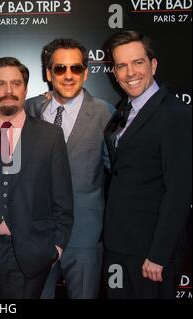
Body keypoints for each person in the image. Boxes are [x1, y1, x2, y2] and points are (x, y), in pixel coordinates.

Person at [0, 57, 73, 299]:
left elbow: (63, 199)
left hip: (29, 253)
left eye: (16, 84)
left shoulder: (49, 136)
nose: (8, 91)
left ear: (26, 89)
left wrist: (56, 248)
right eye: (0, 84)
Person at [103, 30, 191, 298]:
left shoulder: (175, 115)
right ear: (114, 72)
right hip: (118, 244)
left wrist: (158, 254)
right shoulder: (123, 110)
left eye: (138, 62)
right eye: (122, 65)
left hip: (149, 253)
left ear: (153, 65)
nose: (130, 72)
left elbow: (180, 191)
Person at [26, 38, 113, 299]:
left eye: (75, 68)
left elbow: (120, 172)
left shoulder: (104, 114)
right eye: (60, 68)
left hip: (85, 235)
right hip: (36, 233)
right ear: (48, 73)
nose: (68, 76)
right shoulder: (29, 109)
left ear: (86, 73)